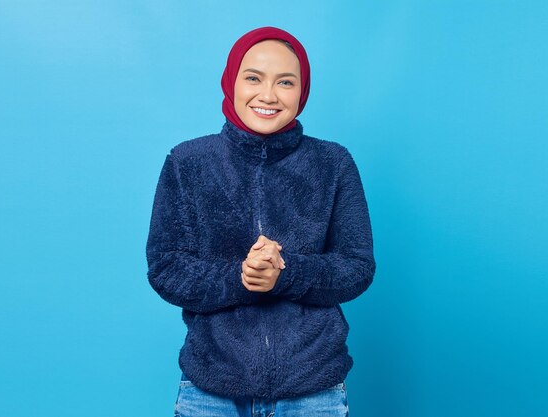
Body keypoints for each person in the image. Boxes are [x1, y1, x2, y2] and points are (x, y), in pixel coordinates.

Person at [146, 26, 376, 417]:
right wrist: (242, 277)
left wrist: (286, 273)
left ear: (302, 92)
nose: (268, 95)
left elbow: (357, 266)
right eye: (253, 77)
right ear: (231, 80)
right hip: (211, 389)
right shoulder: (187, 162)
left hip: (313, 389)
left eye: (285, 82)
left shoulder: (333, 163)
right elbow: (166, 268)